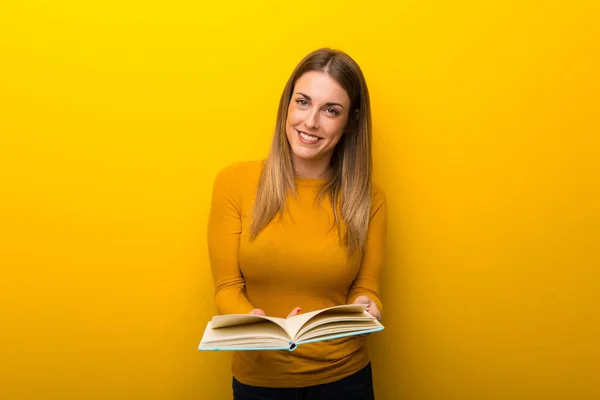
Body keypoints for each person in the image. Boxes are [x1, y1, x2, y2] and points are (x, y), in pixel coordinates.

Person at [207, 47, 387, 400]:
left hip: (345, 381)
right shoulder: (234, 183)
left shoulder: (370, 198)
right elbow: (226, 287)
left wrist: (368, 305)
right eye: (303, 102)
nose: (310, 122)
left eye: (330, 110)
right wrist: (257, 320)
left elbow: (366, 288)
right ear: (287, 105)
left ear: (350, 121)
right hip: (260, 381)